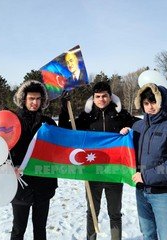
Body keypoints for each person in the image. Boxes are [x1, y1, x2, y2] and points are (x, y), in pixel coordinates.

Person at [59, 81, 139, 240]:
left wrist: (130, 129)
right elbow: (65, 129)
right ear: (93, 98)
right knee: (92, 213)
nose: (101, 99)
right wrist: (63, 108)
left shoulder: (120, 115)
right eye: (98, 96)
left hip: (114, 173)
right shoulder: (86, 117)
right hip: (92, 172)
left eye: (104, 96)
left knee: (115, 213)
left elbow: (143, 125)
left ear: (110, 97)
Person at [120, 83, 167, 240]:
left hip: (163, 194)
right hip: (141, 192)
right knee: (148, 234)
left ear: (162, 103)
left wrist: (146, 176)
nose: (150, 107)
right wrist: (124, 137)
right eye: (146, 103)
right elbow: (128, 153)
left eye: (154, 102)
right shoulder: (137, 126)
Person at [10, 80, 58, 240]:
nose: (35, 102)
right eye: (31, 98)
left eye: (38, 99)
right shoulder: (12, 121)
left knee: (40, 228)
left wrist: (65, 109)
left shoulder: (48, 123)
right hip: (19, 183)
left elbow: (60, 143)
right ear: (24, 99)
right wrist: (8, 166)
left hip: (43, 183)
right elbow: (1, 148)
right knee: (18, 229)